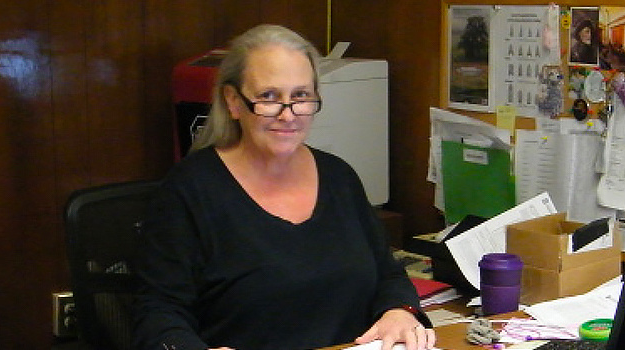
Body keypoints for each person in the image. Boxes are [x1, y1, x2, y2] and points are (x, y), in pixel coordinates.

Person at [132, 24, 436, 350]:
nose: (288, 114)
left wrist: (400, 312)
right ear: (233, 102)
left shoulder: (339, 177)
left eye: (301, 96)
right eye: (268, 97)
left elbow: (388, 275)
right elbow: (157, 314)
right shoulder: (189, 191)